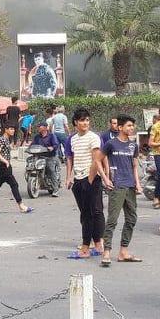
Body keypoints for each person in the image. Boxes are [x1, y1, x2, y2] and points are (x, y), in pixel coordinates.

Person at [66, 108, 108, 259]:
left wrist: (90, 180)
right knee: (85, 214)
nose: (85, 123)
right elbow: (71, 158)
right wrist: (69, 177)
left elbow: (97, 160)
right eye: (82, 120)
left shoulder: (94, 138)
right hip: (78, 179)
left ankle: (87, 248)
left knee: (94, 212)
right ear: (76, 122)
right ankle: (95, 244)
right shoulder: (72, 139)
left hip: (91, 179)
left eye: (87, 120)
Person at [102, 115, 141, 265]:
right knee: (112, 220)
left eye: (133, 126)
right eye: (129, 126)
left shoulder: (133, 145)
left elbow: (135, 166)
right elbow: (98, 159)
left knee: (131, 219)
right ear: (120, 128)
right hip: (117, 186)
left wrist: (137, 183)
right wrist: (106, 178)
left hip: (130, 186)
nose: (132, 128)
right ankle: (106, 252)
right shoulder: (111, 144)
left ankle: (123, 251)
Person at [0, 123, 31, 213]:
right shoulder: (3, 139)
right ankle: (21, 206)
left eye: (13, 129)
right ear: (6, 129)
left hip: (4, 165)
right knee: (14, 184)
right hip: (4, 166)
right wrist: (5, 161)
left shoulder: (6, 139)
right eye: (11, 129)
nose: (13, 130)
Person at [29, 121, 61, 194]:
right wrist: (29, 148)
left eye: (40, 126)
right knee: (30, 166)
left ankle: (55, 189)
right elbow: (32, 144)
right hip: (39, 156)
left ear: (45, 128)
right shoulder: (37, 137)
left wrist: (52, 147)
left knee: (50, 169)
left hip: (50, 156)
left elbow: (56, 144)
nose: (39, 127)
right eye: (39, 126)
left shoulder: (52, 136)